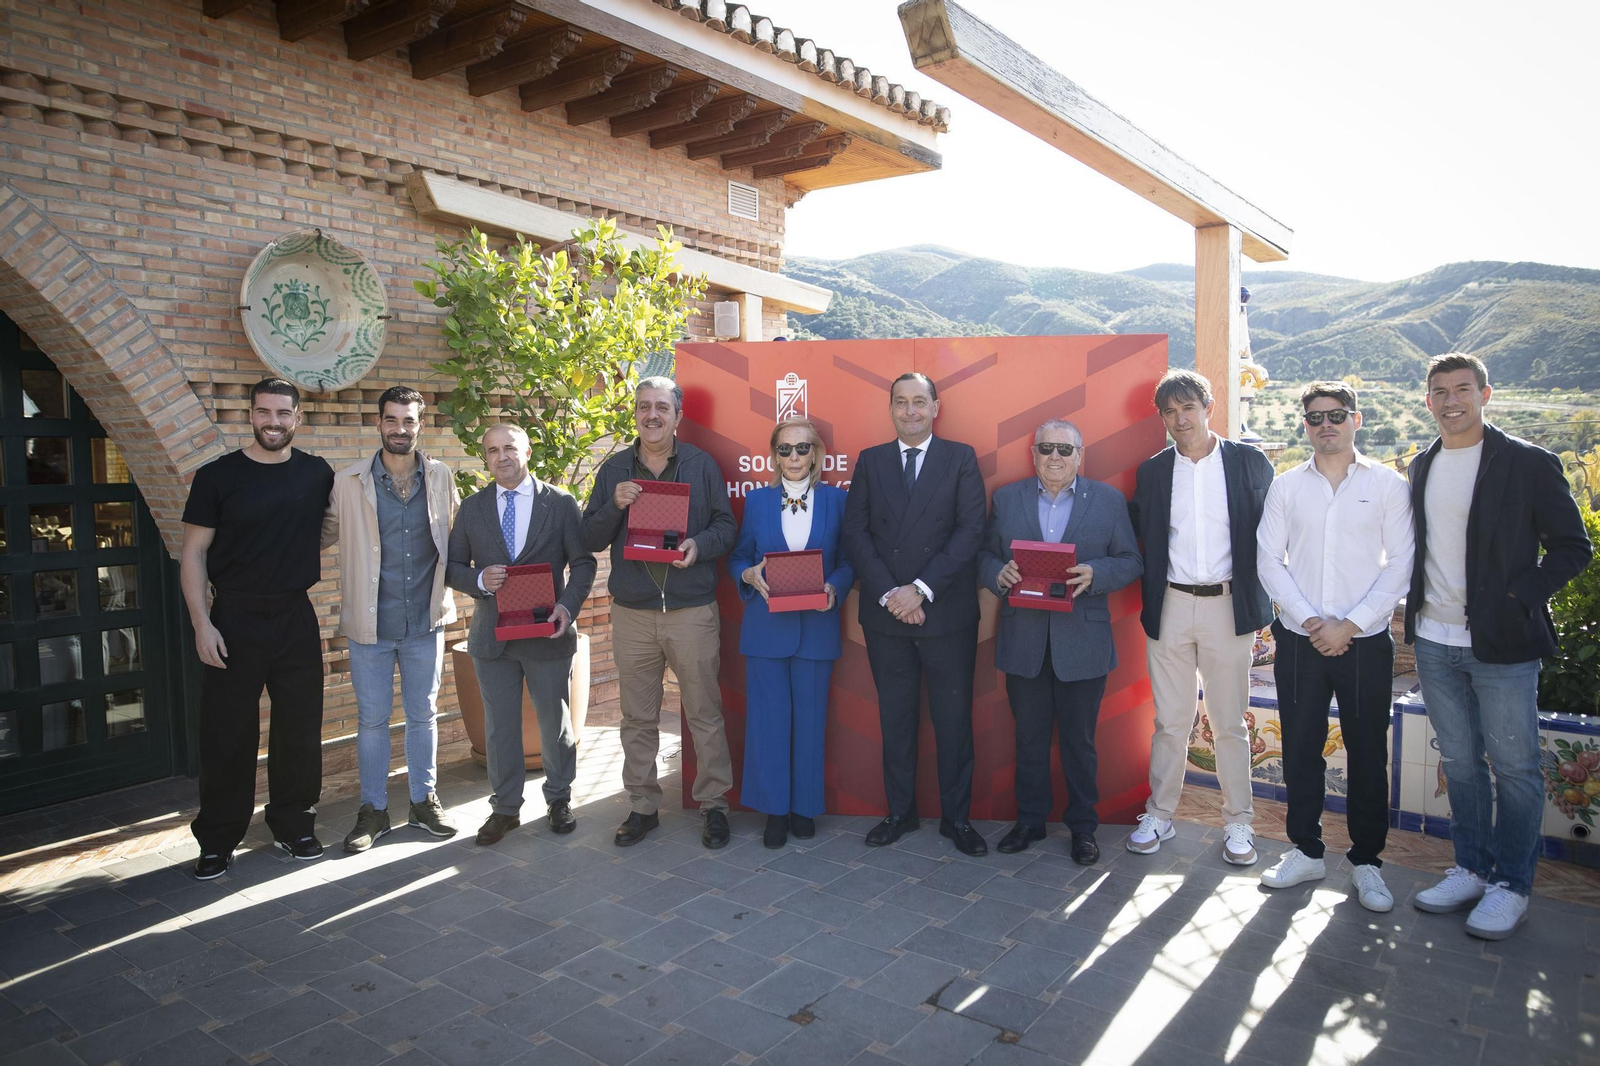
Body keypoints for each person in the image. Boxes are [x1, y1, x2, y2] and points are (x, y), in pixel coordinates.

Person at [1405, 353, 1592, 939]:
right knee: (1460, 764)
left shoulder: (1529, 463)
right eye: (1440, 391)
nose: (1452, 400)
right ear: (1428, 400)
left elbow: (1572, 546)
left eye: (1463, 389)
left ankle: (1512, 884)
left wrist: (1520, 597)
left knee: (1514, 769)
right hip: (1434, 641)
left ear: (1487, 394)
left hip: (1503, 645)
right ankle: (1471, 868)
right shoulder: (1422, 464)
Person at [1255, 383, 1413, 911]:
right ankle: (1306, 850)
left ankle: (1367, 861)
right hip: (1300, 642)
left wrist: (1351, 623)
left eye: (1337, 415)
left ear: (1356, 420)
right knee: (1300, 747)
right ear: (1305, 425)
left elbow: (1401, 565)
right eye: (1316, 417)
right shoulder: (1286, 487)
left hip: (1365, 643)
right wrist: (1310, 620)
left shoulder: (1388, 484)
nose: (1327, 424)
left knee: (1368, 751)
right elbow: (1268, 560)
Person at [180, 378, 335, 880]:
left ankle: (294, 824)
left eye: (283, 413)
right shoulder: (217, 476)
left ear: (297, 418)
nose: (273, 422)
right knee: (227, 732)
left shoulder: (317, 474)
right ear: (250, 415)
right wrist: (202, 623)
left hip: (295, 614)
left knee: (300, 726)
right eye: (264, 412)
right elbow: (193, 552)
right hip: (233, 617)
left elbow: (330, 529)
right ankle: (219, 838)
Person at [581, 377, 738, 849]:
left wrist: (698, 544)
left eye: (662, 407)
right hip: (633, 612)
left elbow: (726, 526)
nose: (653, 415)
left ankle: (714, 806)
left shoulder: (700, 465)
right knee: (637, 717)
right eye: (644, 406)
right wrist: (614, 506)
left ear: (677, 416)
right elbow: (588, 538)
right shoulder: (613, 471)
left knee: (704, 714)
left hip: (691, 610)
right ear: (635, 413)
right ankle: (643, 806)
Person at [1126, 369, 1274, 865]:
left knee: (1229, 722)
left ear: (1209, 407)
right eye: (1169, 411)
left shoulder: (1249, 463)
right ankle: (1160, 813)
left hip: (1228, 607)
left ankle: (1239, 824)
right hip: (1169, 605)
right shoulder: (1153, 471)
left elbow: (1274, 533)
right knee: (1170, 720)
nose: (1179, 419)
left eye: (1188, 407)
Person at [979, 419, 1142, 865]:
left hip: (1082, 641)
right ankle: (1029, 821)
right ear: (1033, 454)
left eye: (1064, 450)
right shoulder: (1008, 498)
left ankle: (1083, 829)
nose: (1055, 457)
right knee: (1028, 740)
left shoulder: (1108, 501)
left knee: (1079, 742)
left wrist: (1097, 574)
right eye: (1046, 448)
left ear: (1080, 456)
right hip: (1023, 637)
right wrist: (998, 573)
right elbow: (984, 555)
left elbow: (1131, 560)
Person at [842, 372, 988, 856]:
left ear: (935, 407)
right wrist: (891, 595)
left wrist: (920, 591)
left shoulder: (960, 458)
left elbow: (970, 532)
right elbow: (856, 534)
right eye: (901, 403)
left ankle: (957, 819)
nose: (910, 411)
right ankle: (899, 813)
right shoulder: (871, 460)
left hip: (945, 614)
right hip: (887, 617)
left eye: (919, 402)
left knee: (953, 721)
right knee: (896, 720)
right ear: (890, 409)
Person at [324, 386, 460, 852]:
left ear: (421, 425)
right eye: (392, 420)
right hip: (371, 626)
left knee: (424, 715)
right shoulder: (348, 482)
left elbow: (458, 536)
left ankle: (424, 802)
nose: (400, 429)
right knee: (372, 720)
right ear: (378, 423)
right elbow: (316, 534)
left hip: (425, 622)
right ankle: (373, 811)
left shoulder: (441, 477)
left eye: (409, 421)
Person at [445, 424, 596, 846]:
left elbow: (583, 564)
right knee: (499, 728)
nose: (502, 457)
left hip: (548, 633)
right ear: (486, 458)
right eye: (492, 451)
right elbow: (453, 566)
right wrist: (478, 579)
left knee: (555, 723)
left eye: (509, 447)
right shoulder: (473, 508)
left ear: (527, 451)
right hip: (493, 638)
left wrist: (567, 607)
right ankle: (505, 809)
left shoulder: (561, 503)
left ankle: (559, 799)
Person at [729, 418, 855, 849]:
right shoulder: (758, 501)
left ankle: (804, 807)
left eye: (802, 449)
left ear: (816, 453)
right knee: (768, 723)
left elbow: (847, 560)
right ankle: (775, 811)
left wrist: (834, 589)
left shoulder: (838, 501)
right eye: (785, 450)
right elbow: (740, 557)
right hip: (766, 629)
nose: (794, 458)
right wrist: (746, 573)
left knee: (810, 722)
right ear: (774, 454)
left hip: (817, 628)